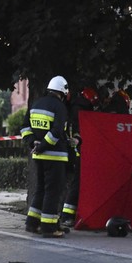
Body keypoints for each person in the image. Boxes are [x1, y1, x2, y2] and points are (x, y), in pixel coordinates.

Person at [21, 75, 70, 238]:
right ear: (62, 91)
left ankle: (32, 223)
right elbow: (57, 132)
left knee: (41, 189)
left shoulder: (36, 103)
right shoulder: (60, 107)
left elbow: (25, 127)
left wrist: (32, 143)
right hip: (55, 157)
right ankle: (49, 228)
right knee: (53, 191)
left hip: (39, 157)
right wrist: (43, 146)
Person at [61, 86, 101, 227]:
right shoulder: (82, 111)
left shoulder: (74, 108)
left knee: (74, 183)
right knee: (76, 184)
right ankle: (67, 215)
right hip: (78, 152)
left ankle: (67, 214)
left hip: (73, 151)